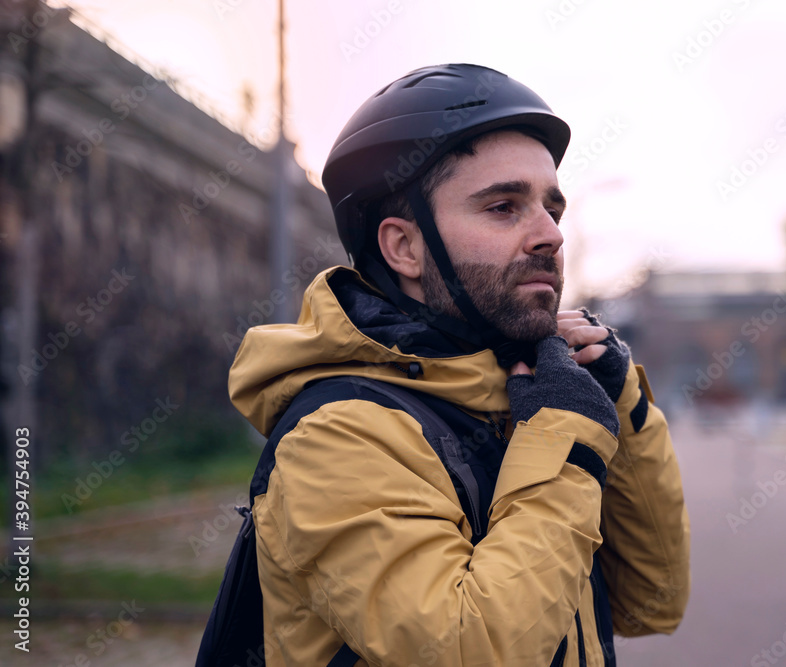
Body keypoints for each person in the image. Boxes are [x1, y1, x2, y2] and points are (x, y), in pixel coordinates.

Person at [228, 63, 690, 666]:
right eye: (504, 207)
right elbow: (469, 652)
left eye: (552, 208)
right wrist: (568, 445)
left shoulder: (517, 401)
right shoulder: (337, 436)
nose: (548, 233)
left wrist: (623, 411)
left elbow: (650, 603)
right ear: (405, 247)